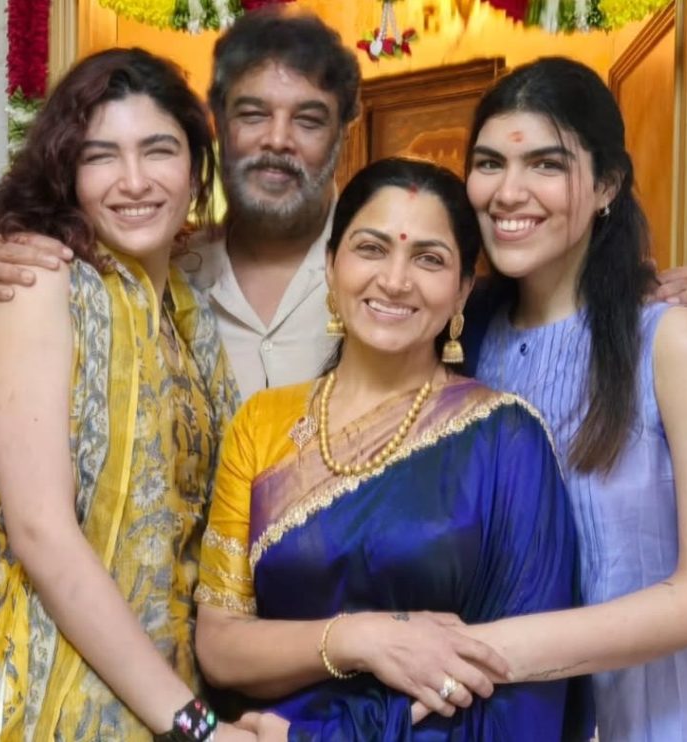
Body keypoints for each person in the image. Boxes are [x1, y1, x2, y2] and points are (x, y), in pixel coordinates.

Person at [194, 157, 592, 740]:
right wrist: (358, 638)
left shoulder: (507, 440)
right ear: (331, 266)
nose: (395, 280)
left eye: (429, 258)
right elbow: (220, 647)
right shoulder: (261, 424)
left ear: (462, 290)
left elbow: (519, 691)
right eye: (371, 249)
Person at [0, 48, 255, 741]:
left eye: (159, 149)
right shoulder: (37, 281)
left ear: (195, 167)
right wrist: (198, 726)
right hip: (44, 702)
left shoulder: (185, 315)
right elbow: (41, 533)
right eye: (100, 156)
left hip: (157, 696)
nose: (134, 181)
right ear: (67, 173)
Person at [460, 57, 687, 741]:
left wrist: (486, 651)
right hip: (522, 720)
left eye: (546, 164)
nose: (508, 192)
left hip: (672, 716)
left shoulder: (672, 340)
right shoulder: (464, 343)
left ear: (606, 184)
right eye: (488, 164)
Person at [0, 10, 360, 401]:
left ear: (344, 131)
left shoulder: (380, 278)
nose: (277, 139)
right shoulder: (170, 270)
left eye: (308, 120)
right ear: (219, 126)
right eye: (253, 115)